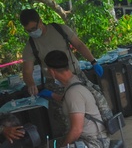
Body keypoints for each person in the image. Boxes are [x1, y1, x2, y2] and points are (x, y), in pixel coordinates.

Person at [19, 8, 104, 137]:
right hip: (55, 83)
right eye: (28, 31)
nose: (32, 32)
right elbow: (27, 71)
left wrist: (93, 61)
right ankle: (73, 141)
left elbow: (79, 45)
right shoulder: (31, 45)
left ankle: (98, 136)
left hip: (75, 75)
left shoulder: (60, 29)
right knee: (66, 117)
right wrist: (31, 84)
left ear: (40, 21)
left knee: (94, 104)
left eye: (33, 28)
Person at [44, 50, 109, 148]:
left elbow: (76, 130)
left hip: (93, 142)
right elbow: (71, 100)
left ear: (52, 72)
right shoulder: (76, 81)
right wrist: (52, 95)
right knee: (49, 145)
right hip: (95, 137)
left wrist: (63, 146)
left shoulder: (73, 92)